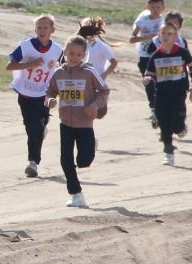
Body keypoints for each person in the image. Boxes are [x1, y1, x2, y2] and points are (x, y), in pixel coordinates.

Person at [46, 35, 110, 208]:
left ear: (84, 55)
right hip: (65, 122)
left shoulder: (89, 72)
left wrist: (95, 105)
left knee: (83, 161)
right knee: (65, 159)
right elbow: (50, 92)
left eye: (78, 55)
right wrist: (50, 101)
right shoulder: (58, 73)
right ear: (65, 53)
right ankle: (76, 194)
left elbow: (104, 91)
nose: (74, 58)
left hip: (85, 123)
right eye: (71, 53)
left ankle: (91, 145)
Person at [6, 13, 62, 177]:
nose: (42, 31)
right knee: (31, 127)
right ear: (35, 30)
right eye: (39, 28)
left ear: (52, 30)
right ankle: (34, 156)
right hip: (26, 93)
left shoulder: (58, 50)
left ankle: (34, 159)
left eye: (45, 28)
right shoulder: (25, 46)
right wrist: (30, 64)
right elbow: (10, 65)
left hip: (45, 94)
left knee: (36, 127)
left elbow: (65, 69)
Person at [143, 20, 192, 165]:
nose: (166, 36)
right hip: (161, 94)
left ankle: (181, 128)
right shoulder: (156, 55)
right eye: (163, 33)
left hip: (179, 93)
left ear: (175, 37)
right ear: (159, 36)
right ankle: (168, 152)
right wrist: (148, 79)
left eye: (170, 34)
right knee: (164, 123)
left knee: (176, 123)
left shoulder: (182, 53)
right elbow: (149, 74)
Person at [129, 0, 166, 123]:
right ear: (148, 7)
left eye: (158, 7)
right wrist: (150, 37)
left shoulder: (164, 22)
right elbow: (132, 39)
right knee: (149, 82)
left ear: (163, 7)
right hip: (145, 56)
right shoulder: (143, 19)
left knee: (162, 82)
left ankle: (162, 107)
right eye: (152, 6)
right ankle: (153, 108)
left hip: (161, 56)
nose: (155, 9)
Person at [78, 16, 118, 81]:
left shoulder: (101, 46)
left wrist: (104, 75)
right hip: (82, 81)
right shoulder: (80, 44)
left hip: (96, 81)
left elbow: (114, 62)